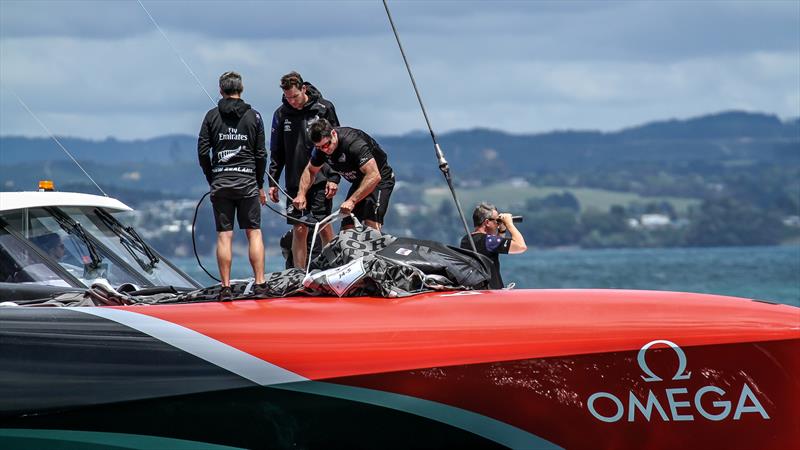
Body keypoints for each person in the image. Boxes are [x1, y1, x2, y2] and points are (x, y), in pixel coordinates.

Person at [198, 71, 267, 301]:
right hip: (247, 181)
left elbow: (202, 152)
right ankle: (259, 284)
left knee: (224, 236)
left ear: (220, 90)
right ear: (242, 89)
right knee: (253, 232)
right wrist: (259, 184)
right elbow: (260, 154)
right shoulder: (254, 116)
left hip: (221, 182)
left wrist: (212, 177)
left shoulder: (211, 116)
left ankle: (225, 288)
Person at [268, 71, 341, 268]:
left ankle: (333, 269)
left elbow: (336, 142)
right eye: (287, 97)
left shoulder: (324, 108)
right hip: (294, 180)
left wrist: (334, 177)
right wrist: (272, 181)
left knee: (323, 225)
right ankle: (298, 276)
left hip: (321, 178)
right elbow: (276, 150)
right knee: (299, 228)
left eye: (295, 96)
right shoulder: (281, 114)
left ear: (303, 89)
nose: (291, 101)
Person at [294, 119, 395, 231]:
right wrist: (301, 194)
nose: (325, 150)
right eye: (319, 147)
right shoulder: (321, 149)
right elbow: (310, 170)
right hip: (359, 181)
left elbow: (374, 175)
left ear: (333, 133)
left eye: (327, 144)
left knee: (371, 224)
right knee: (347, 227)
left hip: (379, 179)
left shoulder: (353, 142)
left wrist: (352, 201)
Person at [460, 202, 527, 289]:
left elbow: (493, 247)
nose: (498, 224)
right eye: (497, 221)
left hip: (475, 291)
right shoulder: (488, 241)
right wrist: (509, 224)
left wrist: (502, 231)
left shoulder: (466, 240)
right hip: (490, 294)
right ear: (487, 222)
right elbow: (521, 246)